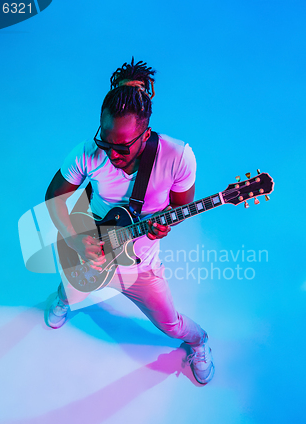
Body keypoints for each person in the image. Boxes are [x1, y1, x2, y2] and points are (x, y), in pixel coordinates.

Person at [45, 58, 215, 385]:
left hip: (141, 265)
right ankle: (64, 299)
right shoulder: (87, 152)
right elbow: (54, 196)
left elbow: (181, 208)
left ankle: (200, 343)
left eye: (122, 147)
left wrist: (164, 226)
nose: (112, 154)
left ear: (145, 133)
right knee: (70, 287)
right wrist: (74, 238)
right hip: (94, 247)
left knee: (171, 325)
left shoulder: (178, 156)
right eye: (105, 143)